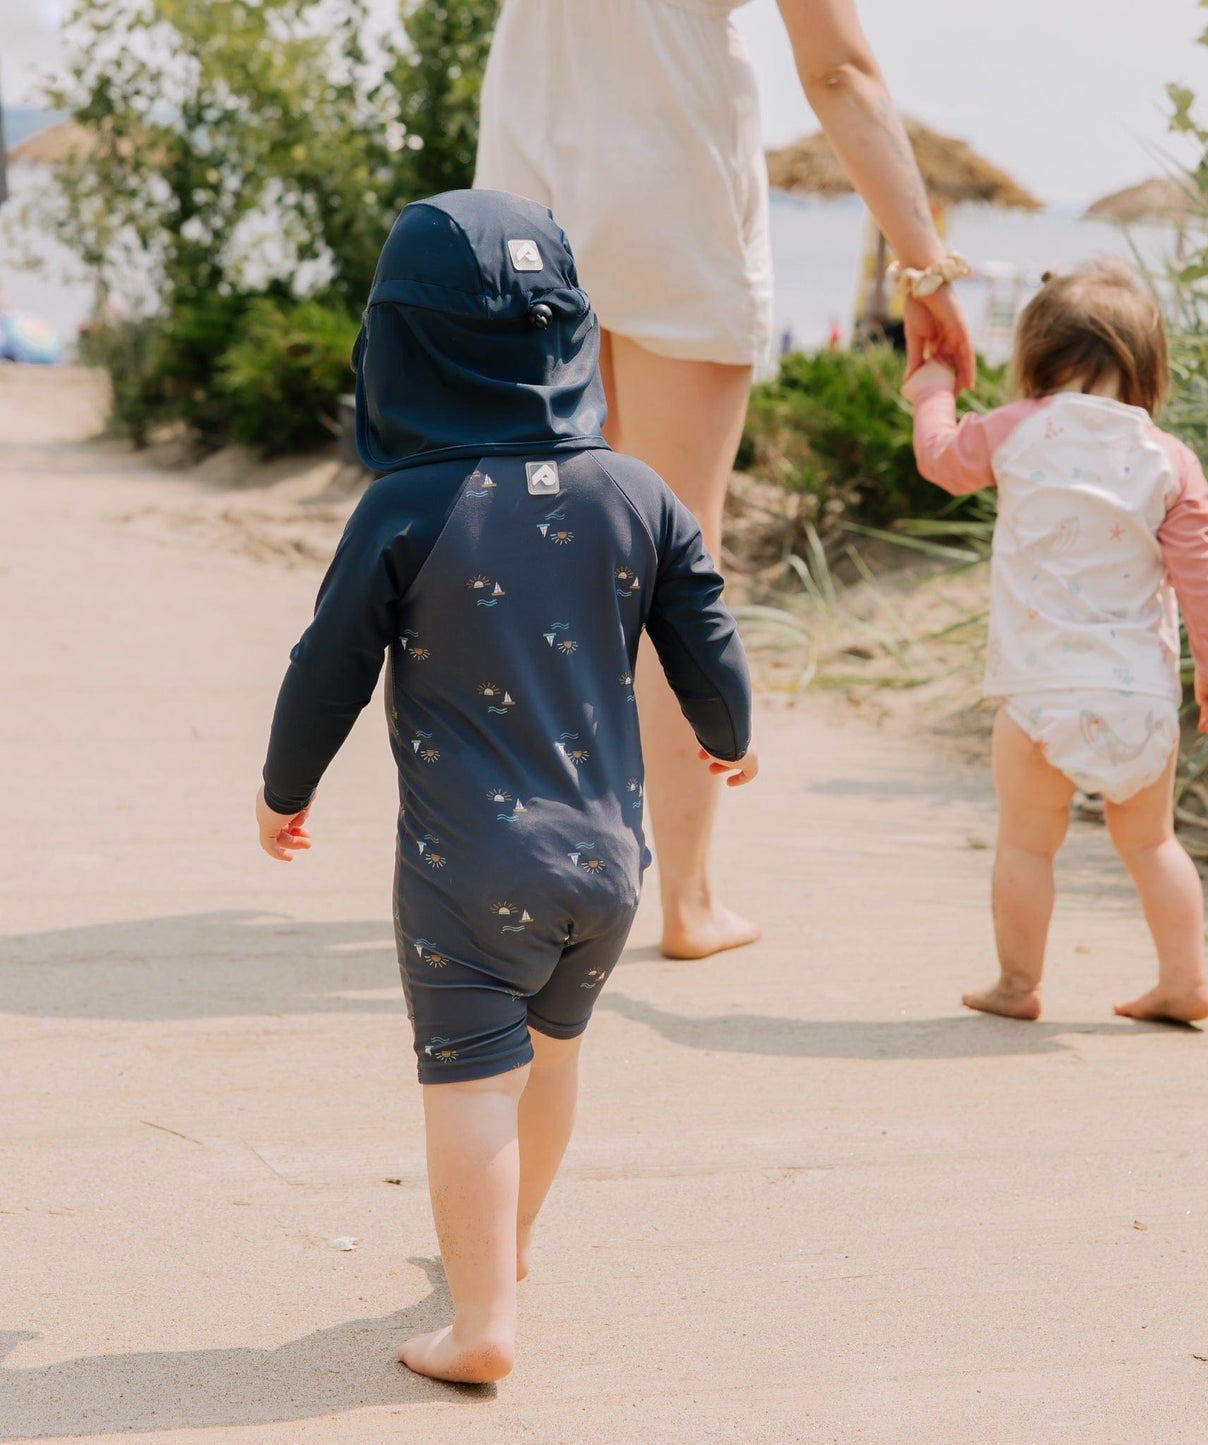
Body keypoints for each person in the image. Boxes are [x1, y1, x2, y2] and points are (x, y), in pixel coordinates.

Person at [253, 190, 757, 1384]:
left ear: (402, 348)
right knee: (554, 1058)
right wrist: (727, 733)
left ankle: (480, 1318)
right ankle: (509, 1249)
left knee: (469, 1081)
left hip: (465, 872)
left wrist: (285, 787)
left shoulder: (405, 507)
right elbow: (707, 632)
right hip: (608, 866)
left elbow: (326, 664)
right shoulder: (637, 492)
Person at [475, 0, 975, 960]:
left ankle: (533, 873)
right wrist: (923, 264)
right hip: (674, 194)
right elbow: (839, 72)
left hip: (522, 201)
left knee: (542, 555)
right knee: (670, 559)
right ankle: (687, 901)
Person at [900, 260, 1208, 1026]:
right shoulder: (1168, 458)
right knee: (1153, 844)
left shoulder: (1015, 428)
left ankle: (1017, 984)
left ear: (1033, 359)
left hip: (1036, 697)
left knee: (1026, 845)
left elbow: (941, 461)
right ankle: (1183, 979)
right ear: (1147, 367)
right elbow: (1200, 569)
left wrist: (933, 394)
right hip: (1139, 698)